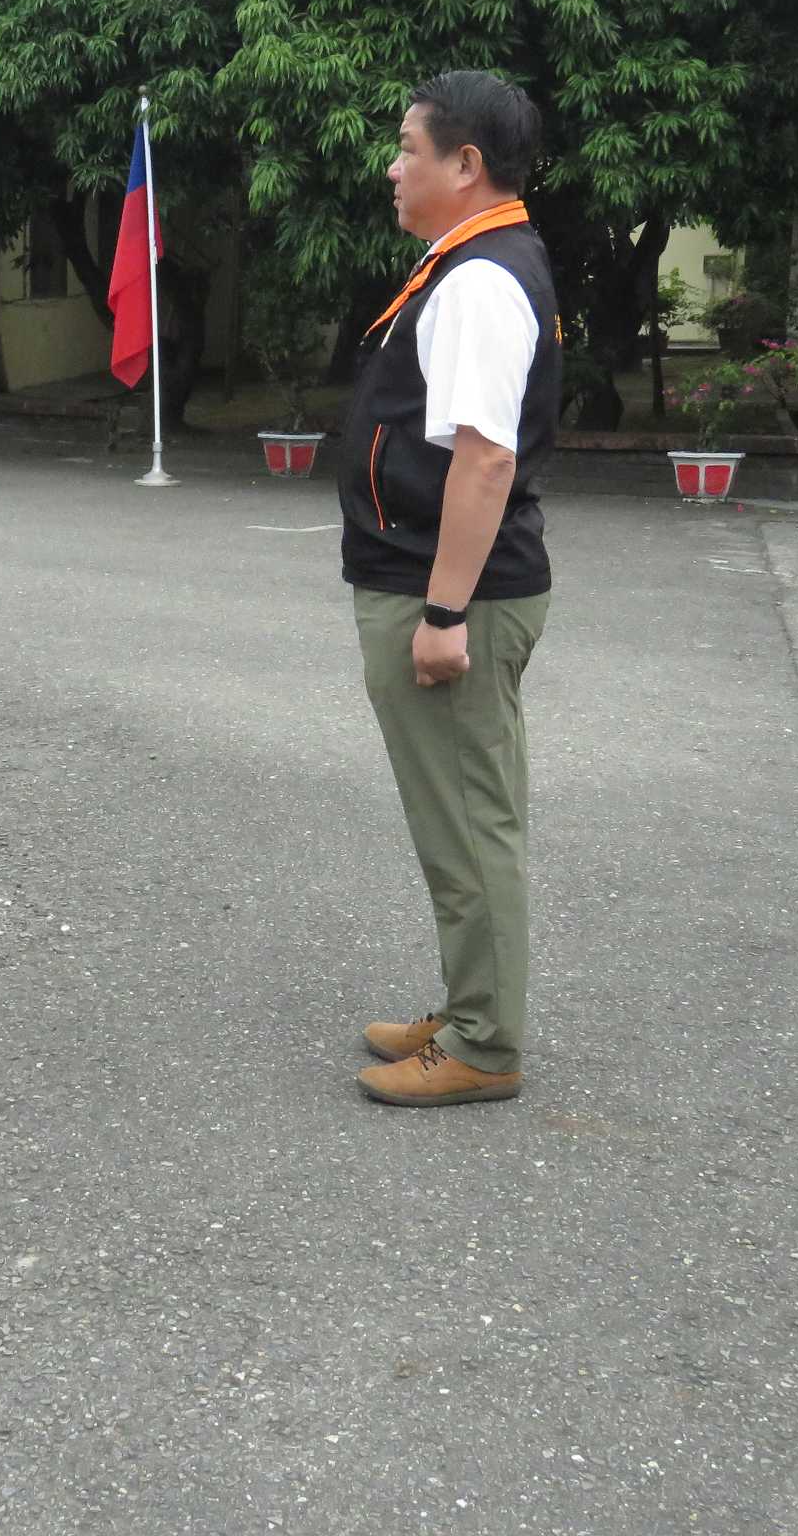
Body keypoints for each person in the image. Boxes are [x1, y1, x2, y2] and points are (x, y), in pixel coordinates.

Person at [345, 70, 559, 1109]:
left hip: (450, 593)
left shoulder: (477, 279)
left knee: (470, 821)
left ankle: (483, 1042)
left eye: (409, 148)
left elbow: (483, 460)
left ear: (465, 164)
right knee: (460, 815)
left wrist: (442, 613)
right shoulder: (474, 264)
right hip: (442, 581)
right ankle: (473, 1000)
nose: (394, 166)